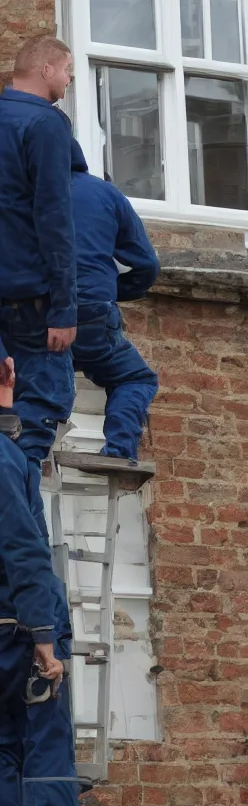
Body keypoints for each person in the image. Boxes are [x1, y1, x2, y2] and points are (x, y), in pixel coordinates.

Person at [0, 343, 81, 806]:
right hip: (16, 631)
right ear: (9, 372)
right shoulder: (7, 460)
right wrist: (45, 635)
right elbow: (24, 548)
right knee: (45, 760)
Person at [0, 34, 78, 488]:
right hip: (31, 298)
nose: (68, 81)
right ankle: (21, 534)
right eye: (67, 70)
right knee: (41, 414)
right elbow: (54, 217)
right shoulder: (47, 124)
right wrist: (65, 309)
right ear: (46, 69)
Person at [68, 139, 160, 465]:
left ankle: (27, 456)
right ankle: (119, 451)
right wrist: (109, 291)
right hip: (93, 314)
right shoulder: (106, 194)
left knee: (38, 379)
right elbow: (147, 266)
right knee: (134, 377)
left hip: (33, 313)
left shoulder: (21, 193)